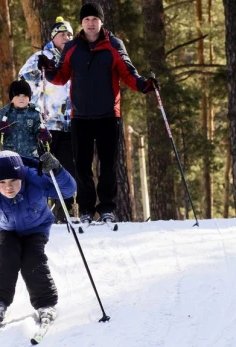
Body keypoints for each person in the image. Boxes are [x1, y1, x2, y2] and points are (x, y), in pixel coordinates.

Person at [38, 3, 158, 224]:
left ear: (101, 22)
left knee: (108, 165)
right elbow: (61, 76)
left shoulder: (113, 45)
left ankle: (107, 209)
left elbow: (128, 72)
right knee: (82, 166)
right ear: (81, 23)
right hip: (80, 117)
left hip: (107, 116)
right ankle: (85, 210)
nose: (90, 23)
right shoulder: (72, 47)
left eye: (95, 19)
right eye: (86, 20)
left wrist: (143, 85)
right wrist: (49, 69)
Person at [0, 150, 76, 325]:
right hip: (4, 230)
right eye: (2, 182)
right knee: (6, 256)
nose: (8, 187)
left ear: (22, 177)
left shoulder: (36, 180)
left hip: (36, 228)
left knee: (33, 259)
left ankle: (45, 304)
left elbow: (68, 191)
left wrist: (57, 171)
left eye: (13, 181)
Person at [19, 16, 77, 224]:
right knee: (43, 166)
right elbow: (23, 81)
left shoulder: (73, 57)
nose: (67, 37)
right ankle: (40, 210)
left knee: (68, 167)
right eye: (63, 34)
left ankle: (67, 210)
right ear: (54, 37)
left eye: (70, 34)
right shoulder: (41, 57)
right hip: (46, 124)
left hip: (69, 123)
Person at [0, 79, 51, 158]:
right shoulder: (4, 114)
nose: (21, 98)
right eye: (18, 95)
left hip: (31, 158)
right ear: (12, 98)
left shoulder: (35, 113)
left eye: (25, 96)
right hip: (10, 158)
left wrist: (44, 137)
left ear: (29, 98)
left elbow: (41, 132)